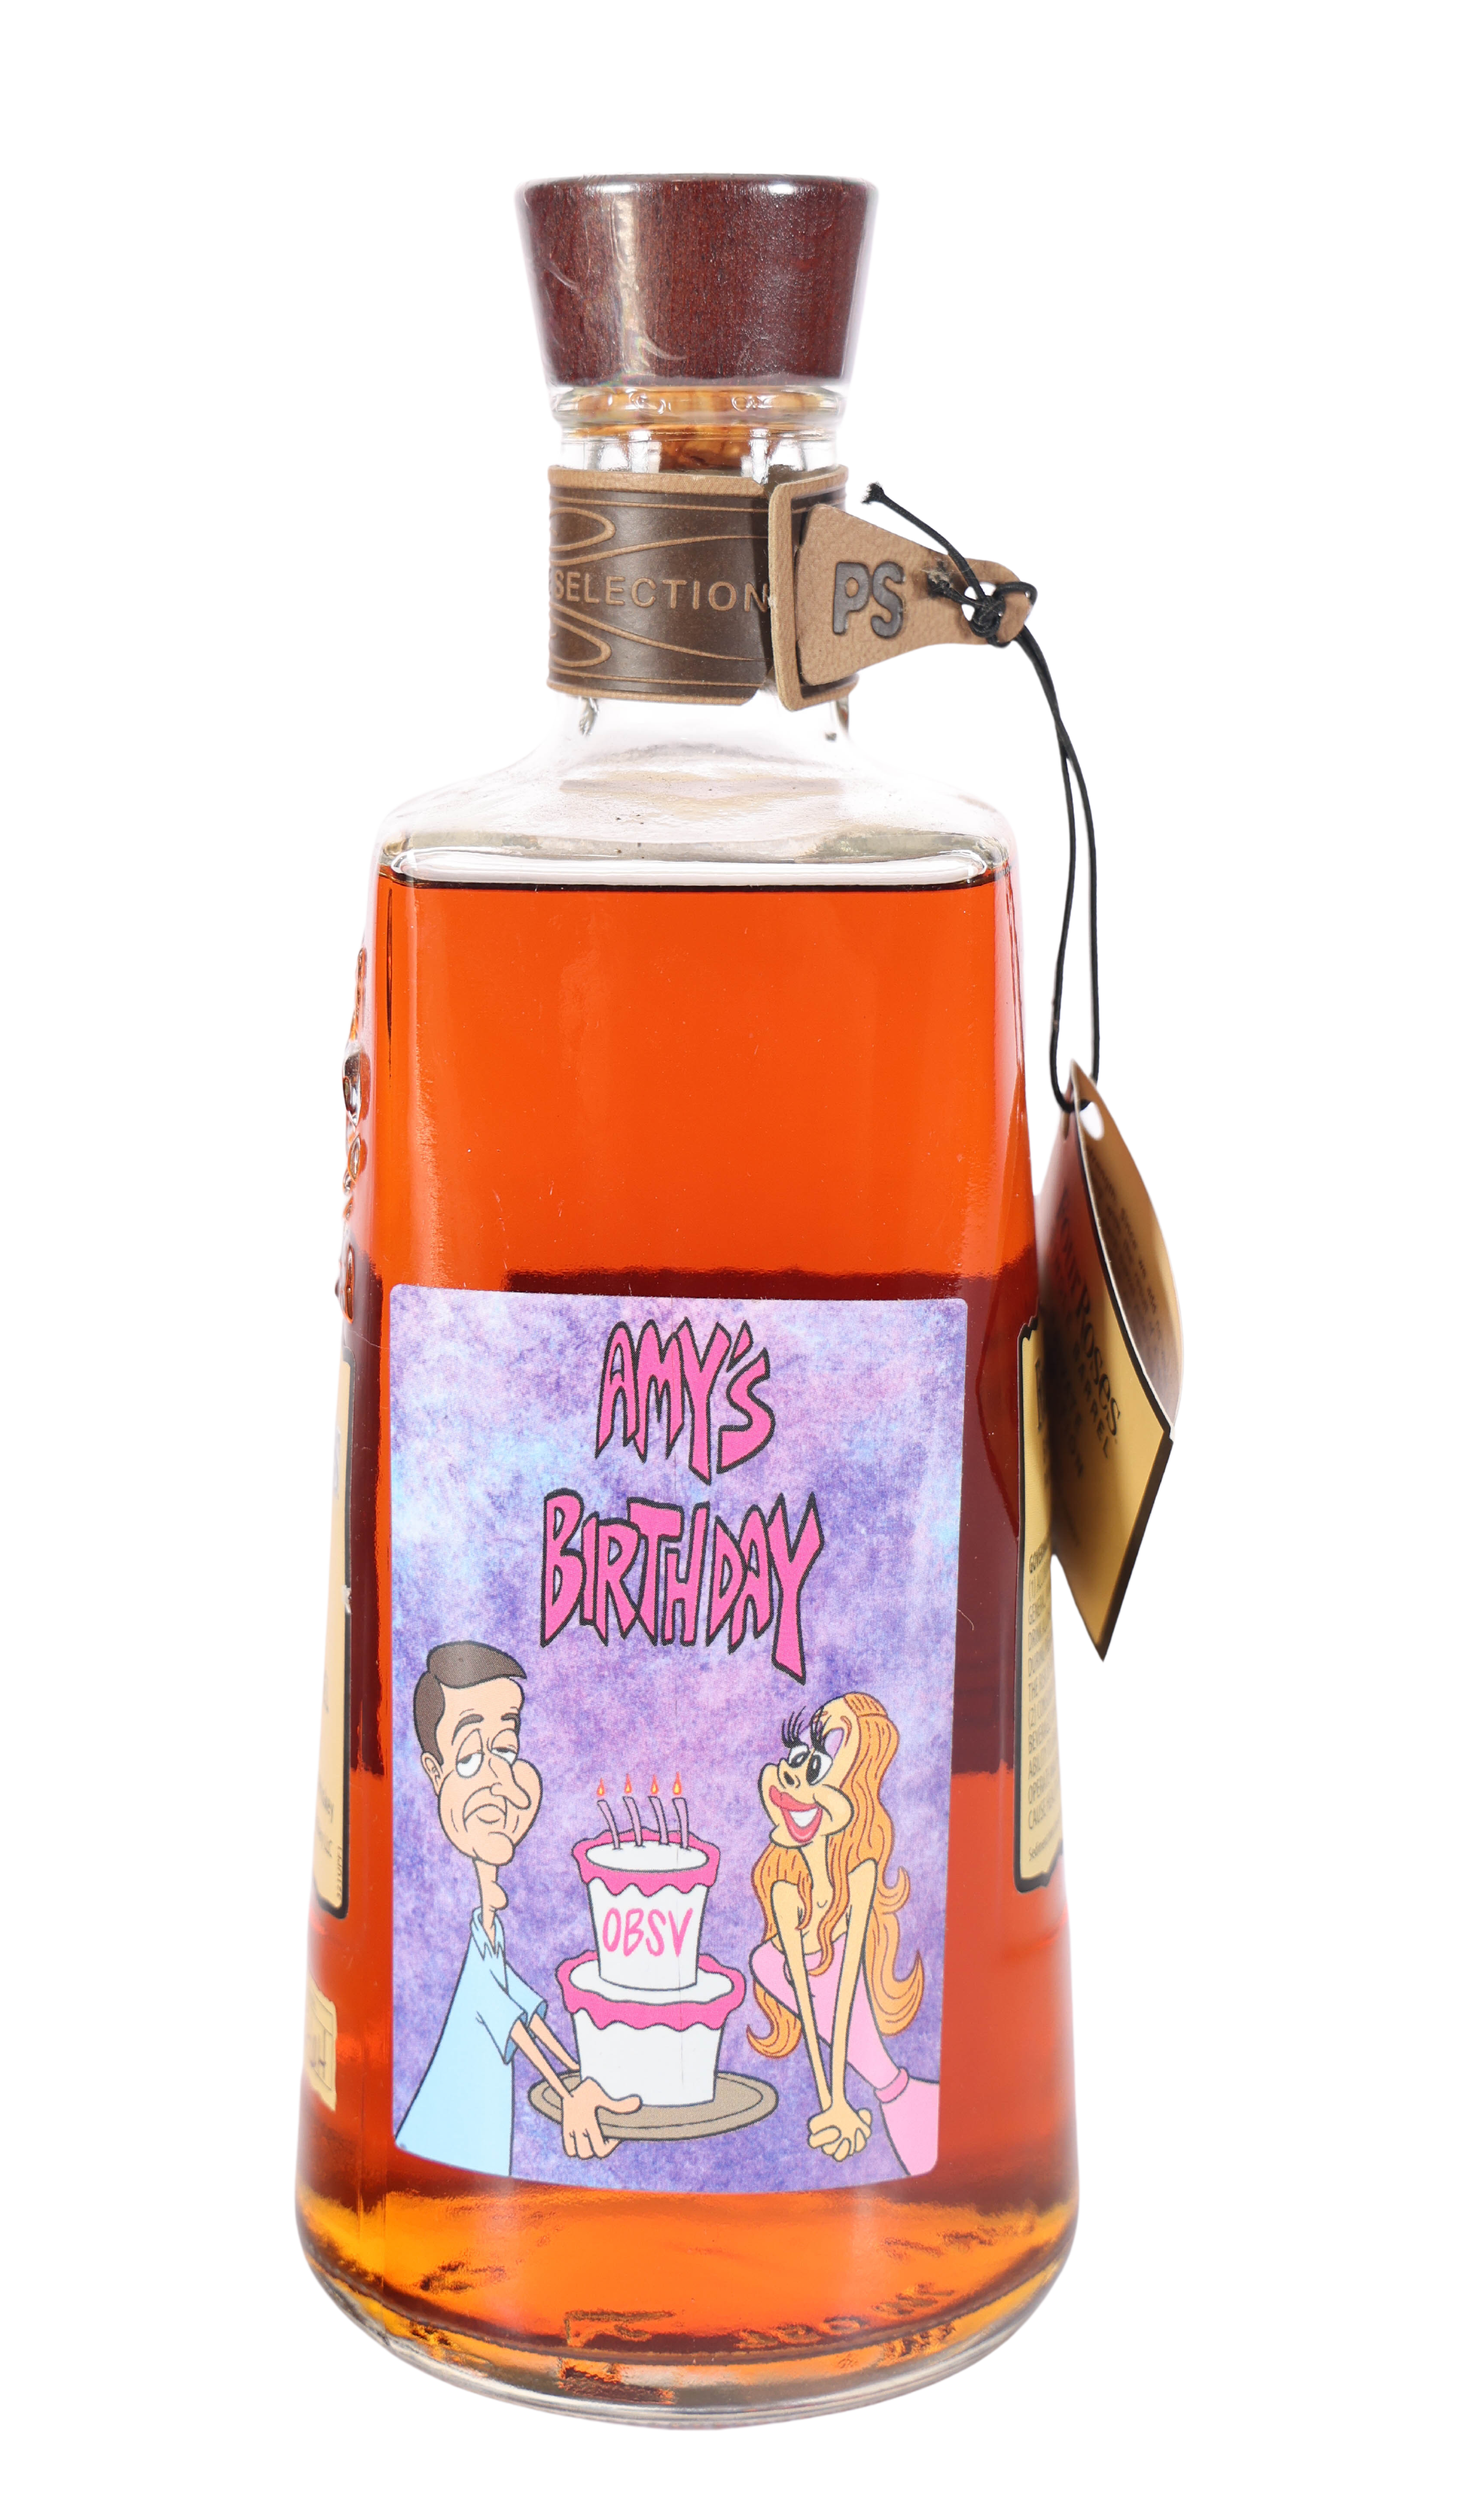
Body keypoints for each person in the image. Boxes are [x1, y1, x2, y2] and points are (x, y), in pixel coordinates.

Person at [396, 1641, 639, 2172]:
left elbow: (519, 2005)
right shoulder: (463, 1928)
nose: (498, 1780)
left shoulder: (489, 1929)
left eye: (507, 1749)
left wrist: (581, 2074)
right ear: (434, 1772)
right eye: (468, 1758)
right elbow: (507, 2022)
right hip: (444, 2149)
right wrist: (569, 2093)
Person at [747, 1692, 938, 2175]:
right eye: (794, 1759)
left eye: (816, 1769)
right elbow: (811, 2011)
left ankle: (897, 2097)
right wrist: (832, 2102)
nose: (791, 1778)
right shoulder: (784, 1889)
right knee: (767, 1961)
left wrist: (838, 2101)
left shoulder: (860, 1874)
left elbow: (848, 1987)